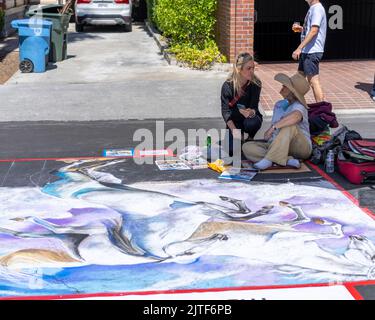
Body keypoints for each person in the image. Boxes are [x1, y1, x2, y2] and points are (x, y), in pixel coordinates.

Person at [242, 73, 312, 170]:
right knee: (247, 147)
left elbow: (295, 117)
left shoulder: (299, 105)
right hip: (279, 145)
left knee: (289, 126)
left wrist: (273, 128)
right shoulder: (279, 104)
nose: (282, 87)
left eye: (285, 86)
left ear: (292, 92)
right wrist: (270, 136)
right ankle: (286, 160)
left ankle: (270, 159)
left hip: (300, 147)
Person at [221, 52, 263, 155]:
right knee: (231, 150)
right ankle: (239, 137)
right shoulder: (227, 86)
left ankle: (250, 137)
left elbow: (254, 107)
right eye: (248, 68)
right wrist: (234, 131)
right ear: (239, 69)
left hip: (249, 119)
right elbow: (225, 112)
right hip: (234, 120)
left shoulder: (256, 83)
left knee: (253, 122)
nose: (252, 71)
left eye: (253, 68)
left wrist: (251, 112)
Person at [292, 0, 327, 103]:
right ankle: (294, 103)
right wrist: (302, 29)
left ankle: (322, 109)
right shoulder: (313, 8)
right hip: (307, 51)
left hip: (312, 51)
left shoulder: (317, 8)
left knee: (313, 82)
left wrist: (299, 48)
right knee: (300, 77)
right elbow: (311, 30)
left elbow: (314, 31)